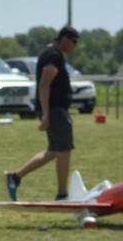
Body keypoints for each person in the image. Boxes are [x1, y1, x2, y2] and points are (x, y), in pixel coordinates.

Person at [5, 26, 81, 202]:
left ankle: (15, 177)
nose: (75, 46)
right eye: (74, 41)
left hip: (56, 110)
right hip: (53, 110)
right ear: (64, 39)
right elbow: (44, 85)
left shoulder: (52, 54)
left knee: (54, 150)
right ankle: (62, 194)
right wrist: (46, 115)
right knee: (64, 149)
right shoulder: (53, 56)